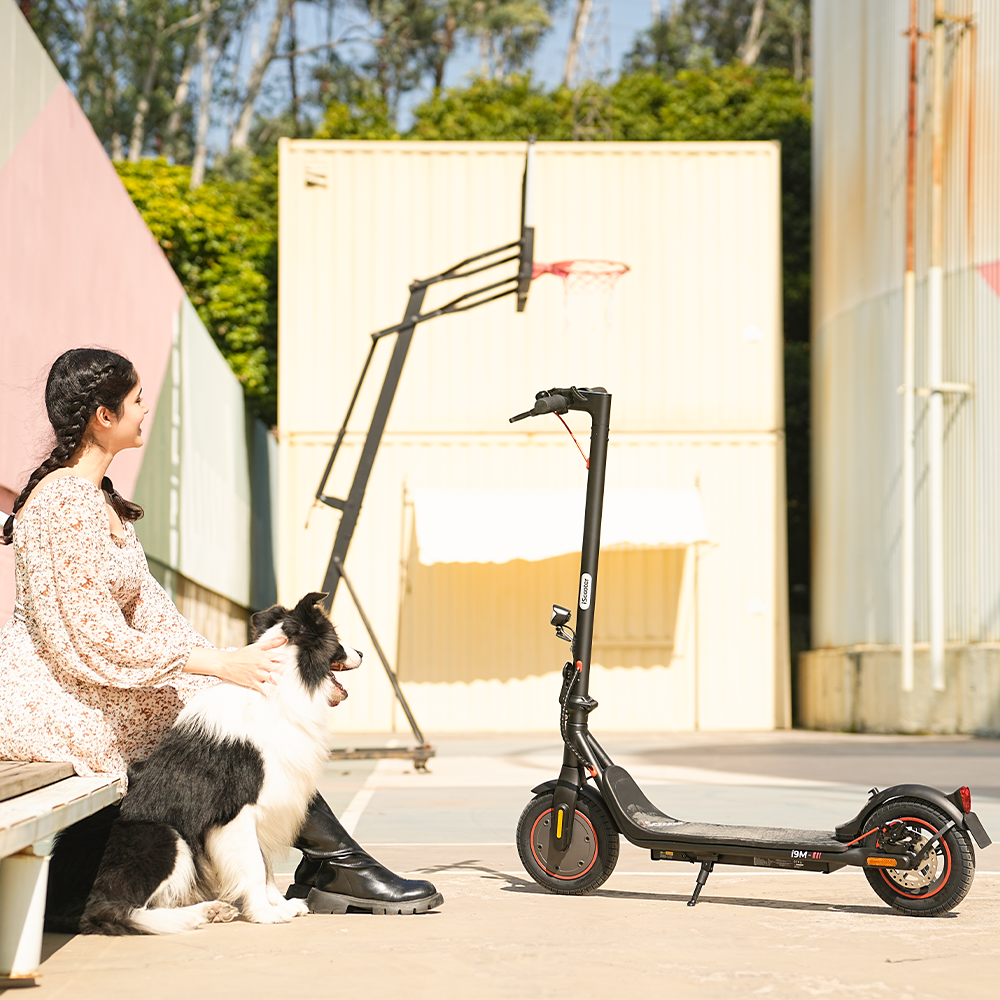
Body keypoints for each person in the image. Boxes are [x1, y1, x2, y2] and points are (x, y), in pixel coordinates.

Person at [0, 347, 441, 915]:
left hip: (91, 684)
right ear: (104, 416)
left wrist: (255, 668)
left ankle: (325, 861)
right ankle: (333, 862)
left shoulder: (98, 499)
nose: (146, 408)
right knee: (233, 722)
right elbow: (90, 637)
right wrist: (223, 668)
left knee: (242, 702)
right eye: (137, 399)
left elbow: (157, 617)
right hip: (56, 700)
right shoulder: (65, 503)